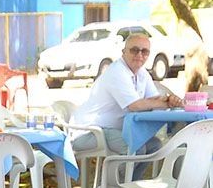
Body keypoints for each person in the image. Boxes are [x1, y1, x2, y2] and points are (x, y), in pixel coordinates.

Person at [72, 32, 185, 160]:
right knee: (136, 149)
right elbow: (134, 105)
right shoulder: (117, 71)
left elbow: (155, 100)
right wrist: (167, 102)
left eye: (144, 51)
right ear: (123, 52)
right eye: (134, 50)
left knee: (155, 146)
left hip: (111, 130)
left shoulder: (141, 73)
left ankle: (131, 180)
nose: (139, 55)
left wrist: (170, 100)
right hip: (88, 131)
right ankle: (112, 181)